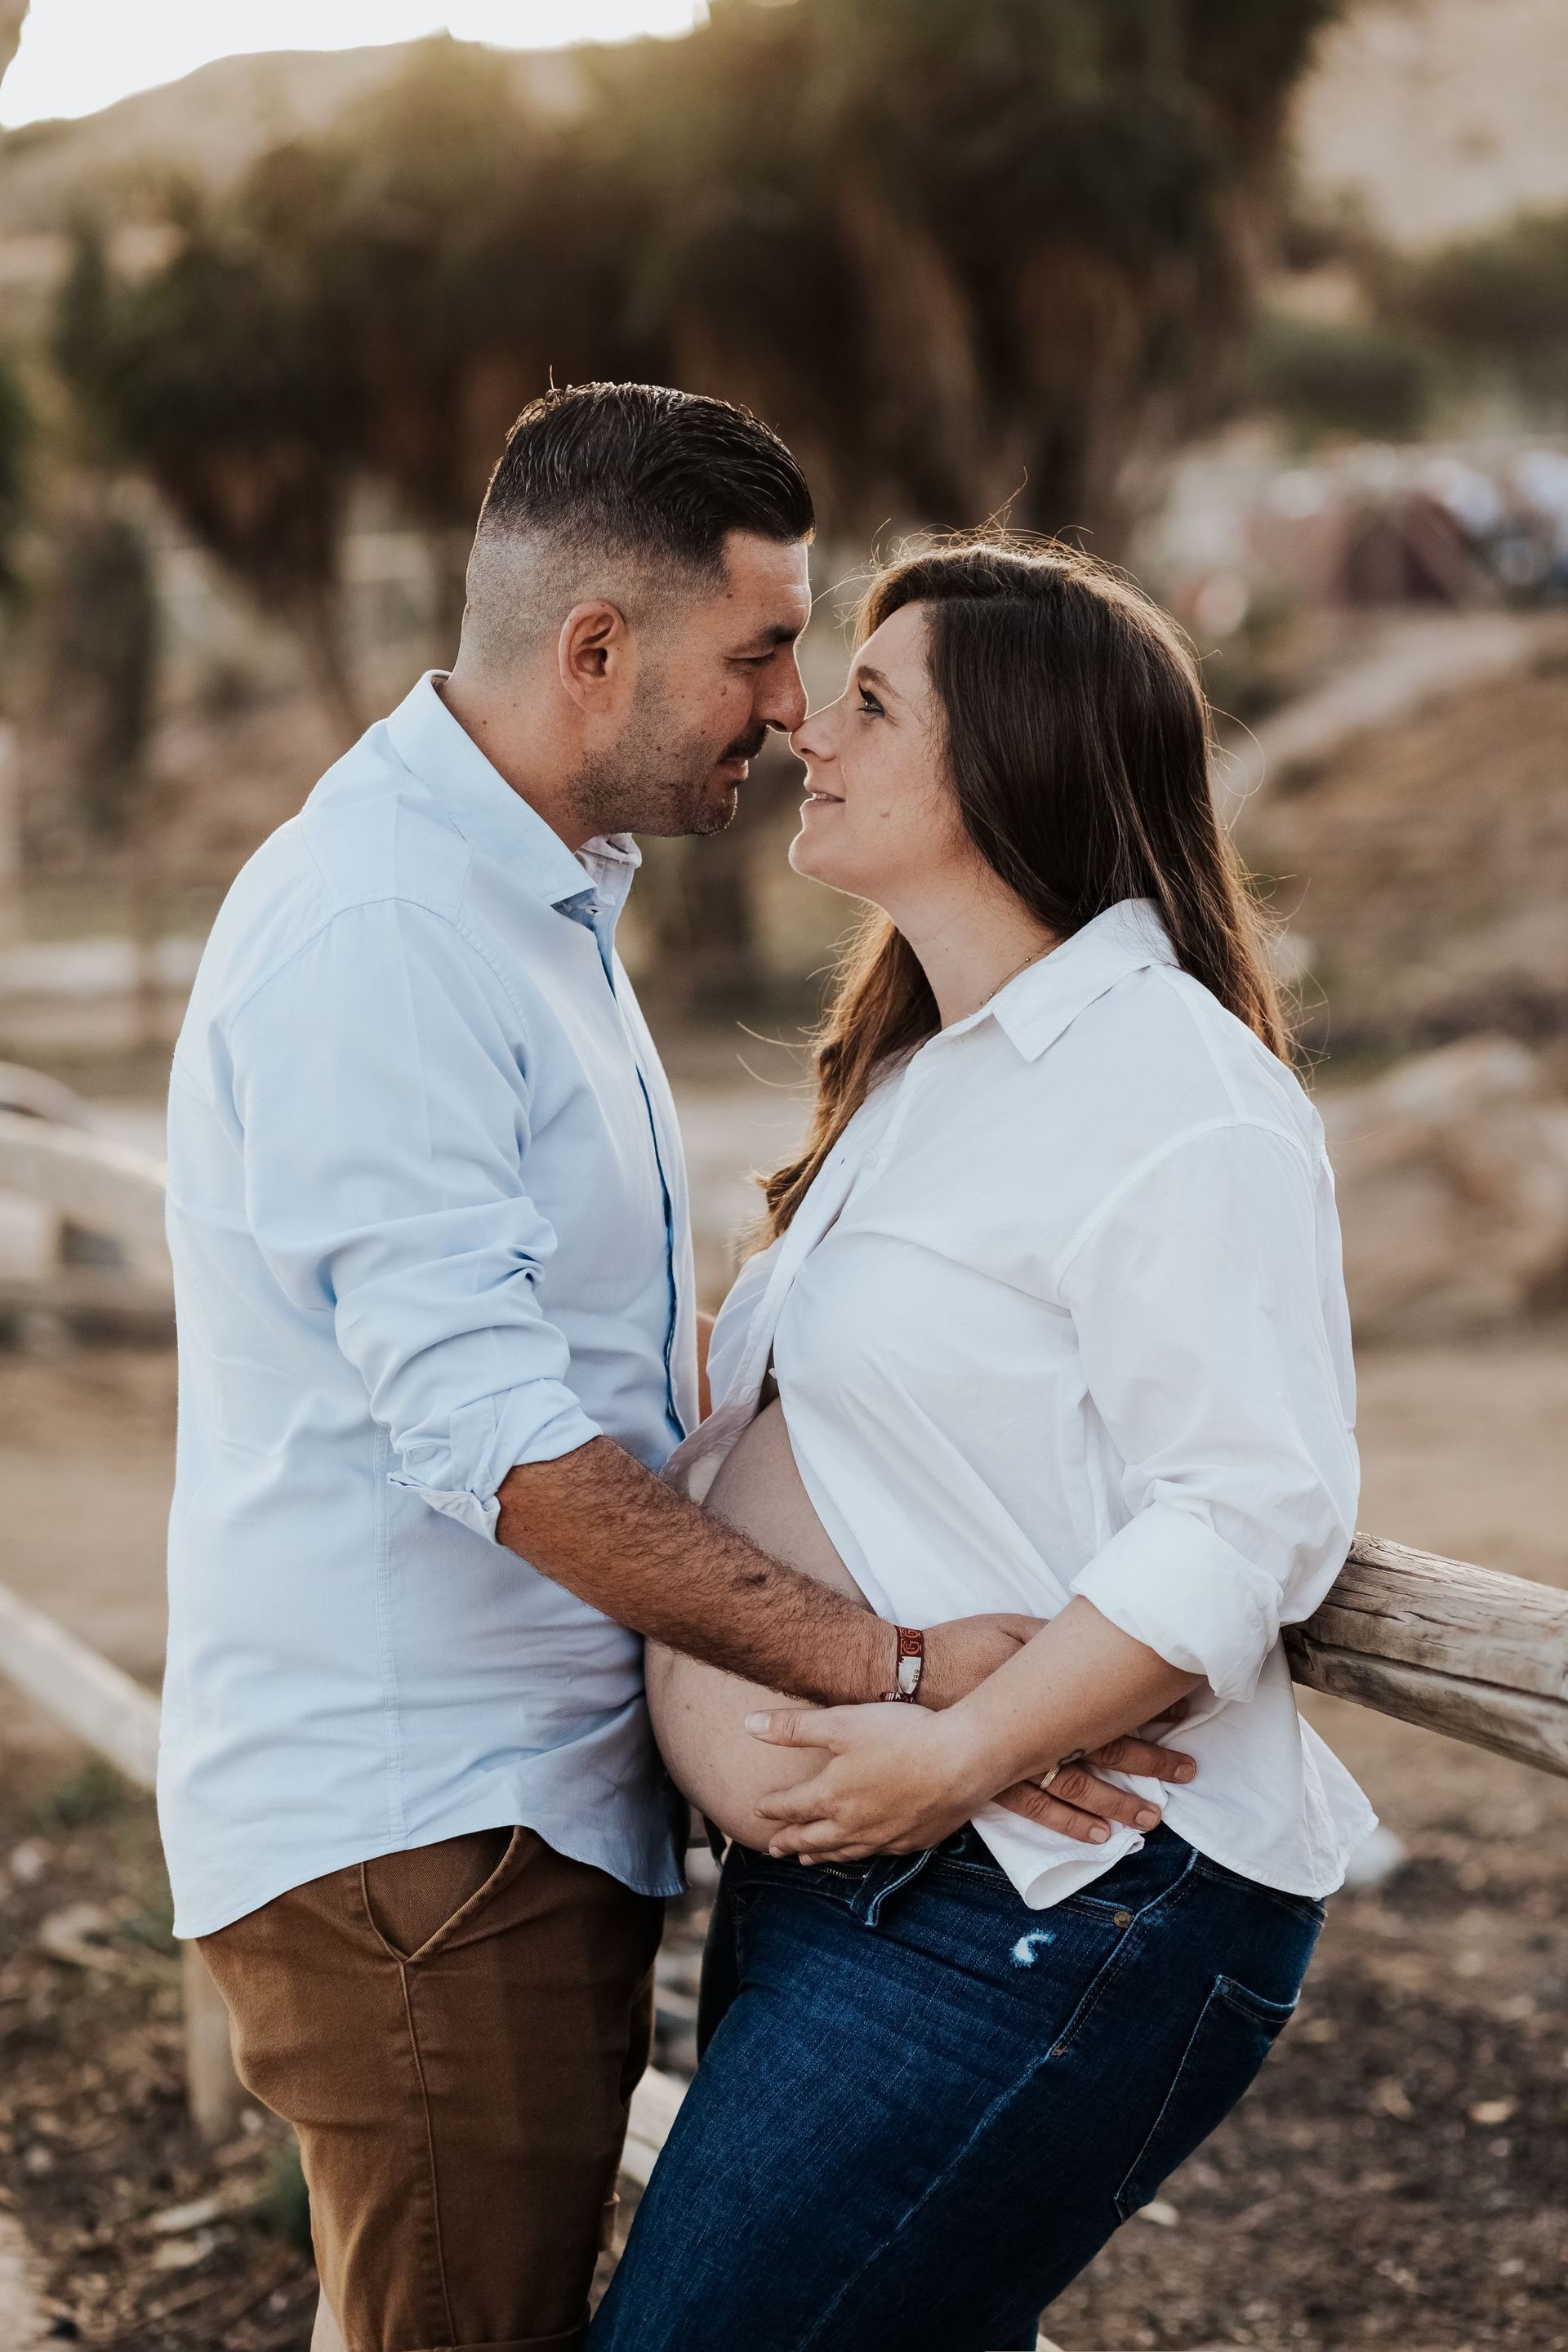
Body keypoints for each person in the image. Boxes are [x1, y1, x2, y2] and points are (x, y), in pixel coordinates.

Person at [160, 387, 1190, 2352]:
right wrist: (896, 1671)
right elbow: (508, 1446)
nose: (793, 709)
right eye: (761, 652)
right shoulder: (390, 930)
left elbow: (596, 1366)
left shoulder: (525, 903)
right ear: (597, 650)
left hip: (499, 1825)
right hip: (422, 1841)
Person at [592, 541, 1377, 2352]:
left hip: (1051, 1901)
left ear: (1009, 763)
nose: (806, 727)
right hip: (867, 1877)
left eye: (871, 700)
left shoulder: (1176, 1094)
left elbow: (1252, 1509)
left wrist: (958, 1759)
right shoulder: (925, 1077)